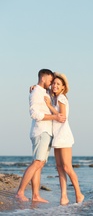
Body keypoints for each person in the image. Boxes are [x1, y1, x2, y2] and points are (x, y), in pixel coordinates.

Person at [16, 69, 66, 203]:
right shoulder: (36, 92)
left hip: (45, 132)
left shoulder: (42, 91)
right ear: (43, 79)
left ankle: (36, 195)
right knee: (37, 162)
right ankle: (20, 192)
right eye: (50, 81)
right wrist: (54, 116)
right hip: (40, 131)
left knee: (40, 163)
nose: (51, 84)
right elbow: (34, 114)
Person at [44, 72, 84, 205]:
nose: (55, 85)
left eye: (58, 84)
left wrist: (49, 106)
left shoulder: (61, 98)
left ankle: (79, 194)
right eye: (54, 83)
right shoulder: (54, 97)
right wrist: (33, 87)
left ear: (63, 87)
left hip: (64, 136)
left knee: (67, 167)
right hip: (57, 136)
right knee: (59, 167)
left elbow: (62, 116)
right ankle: (64, 197)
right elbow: (44, 88)